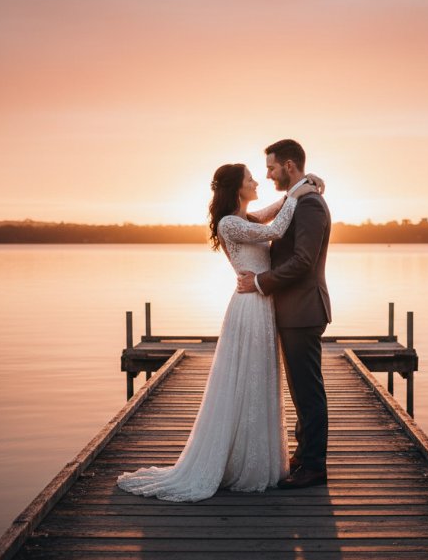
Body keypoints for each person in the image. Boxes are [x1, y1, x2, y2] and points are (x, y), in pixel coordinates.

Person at [116, 161, 321, 502]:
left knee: (259, 381)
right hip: (249, 307)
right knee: (247, 378)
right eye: (250, 178)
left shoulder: (245, 219)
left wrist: (304, 184)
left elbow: (274, 210)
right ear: (236, 188)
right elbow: (278, 228)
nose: (257, 180)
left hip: (261, 304)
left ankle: (257, 458)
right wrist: (301, 190)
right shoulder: (230, 223)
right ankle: (237, 462)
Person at [237, 138, 332, 489]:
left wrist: (260, 282)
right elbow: (261, 221)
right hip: (294, 310)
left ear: (289, 166)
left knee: (308, 391)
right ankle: (304, 455)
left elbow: (303, 261)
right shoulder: (298, 200)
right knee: (300, 388)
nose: (268, 173)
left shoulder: (310, 206)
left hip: (304, 310)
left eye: (272, 167)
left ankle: (314, 466)